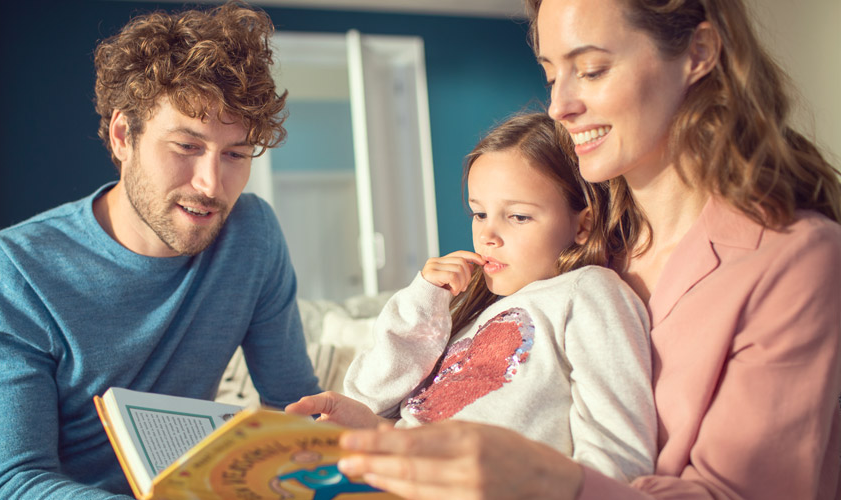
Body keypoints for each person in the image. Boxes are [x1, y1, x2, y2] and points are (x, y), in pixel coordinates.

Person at [325, 0, 841, 499]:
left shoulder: (794, 260)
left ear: (698, 53)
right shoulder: (570, 252)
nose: (558, 106)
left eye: (591, 70)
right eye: (551, 75)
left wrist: (545, 482)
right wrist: (378, 429)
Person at [0, 4, 321, 499]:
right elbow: (11, 481)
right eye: (186, 146)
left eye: (236, 154)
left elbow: (295, 411)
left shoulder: (252, 235)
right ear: (122, 136)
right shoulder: (18, 266)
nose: (211, 185)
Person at [287, 113, 657, 482]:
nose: (488, 235)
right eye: (479, 213)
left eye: (518, 217)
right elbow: (368, 395)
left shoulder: (589, 293)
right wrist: (422, 301)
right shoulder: (472, 307)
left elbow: (618, 453)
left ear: (582, 225)